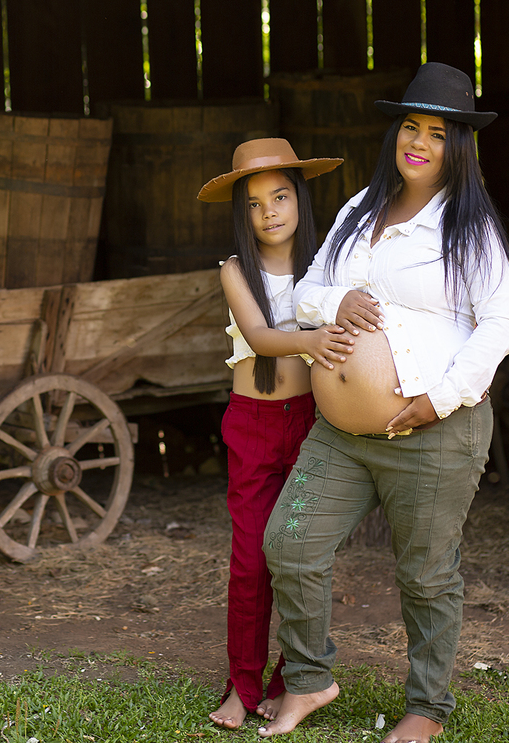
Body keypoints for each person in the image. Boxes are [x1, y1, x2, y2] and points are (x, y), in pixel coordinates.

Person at [257, 63, 509, 741]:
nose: (419, 142)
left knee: (427, 577)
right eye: (410, 127)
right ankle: (311, 681)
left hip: (432, 433)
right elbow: (305, 295)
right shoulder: (359, 211)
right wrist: (336, 300)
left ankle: (426, 709)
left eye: (437, 133)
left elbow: (503, 323)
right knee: (289, 542)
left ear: (456, 145)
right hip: (342, 435)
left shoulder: (470, 227)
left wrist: (439, 400)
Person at [197, 139, 354, 729]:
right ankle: (241, 684)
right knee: (249, 561)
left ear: (299, 198)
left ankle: (294, 680)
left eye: (281, 195)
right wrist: (310, 340)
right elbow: (261, 337)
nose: (270, 212)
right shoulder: (236, 272)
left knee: (298, 554)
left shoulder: (328, 265)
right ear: (243, 215)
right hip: (254, 424)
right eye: (255, 203)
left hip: (315, 424)